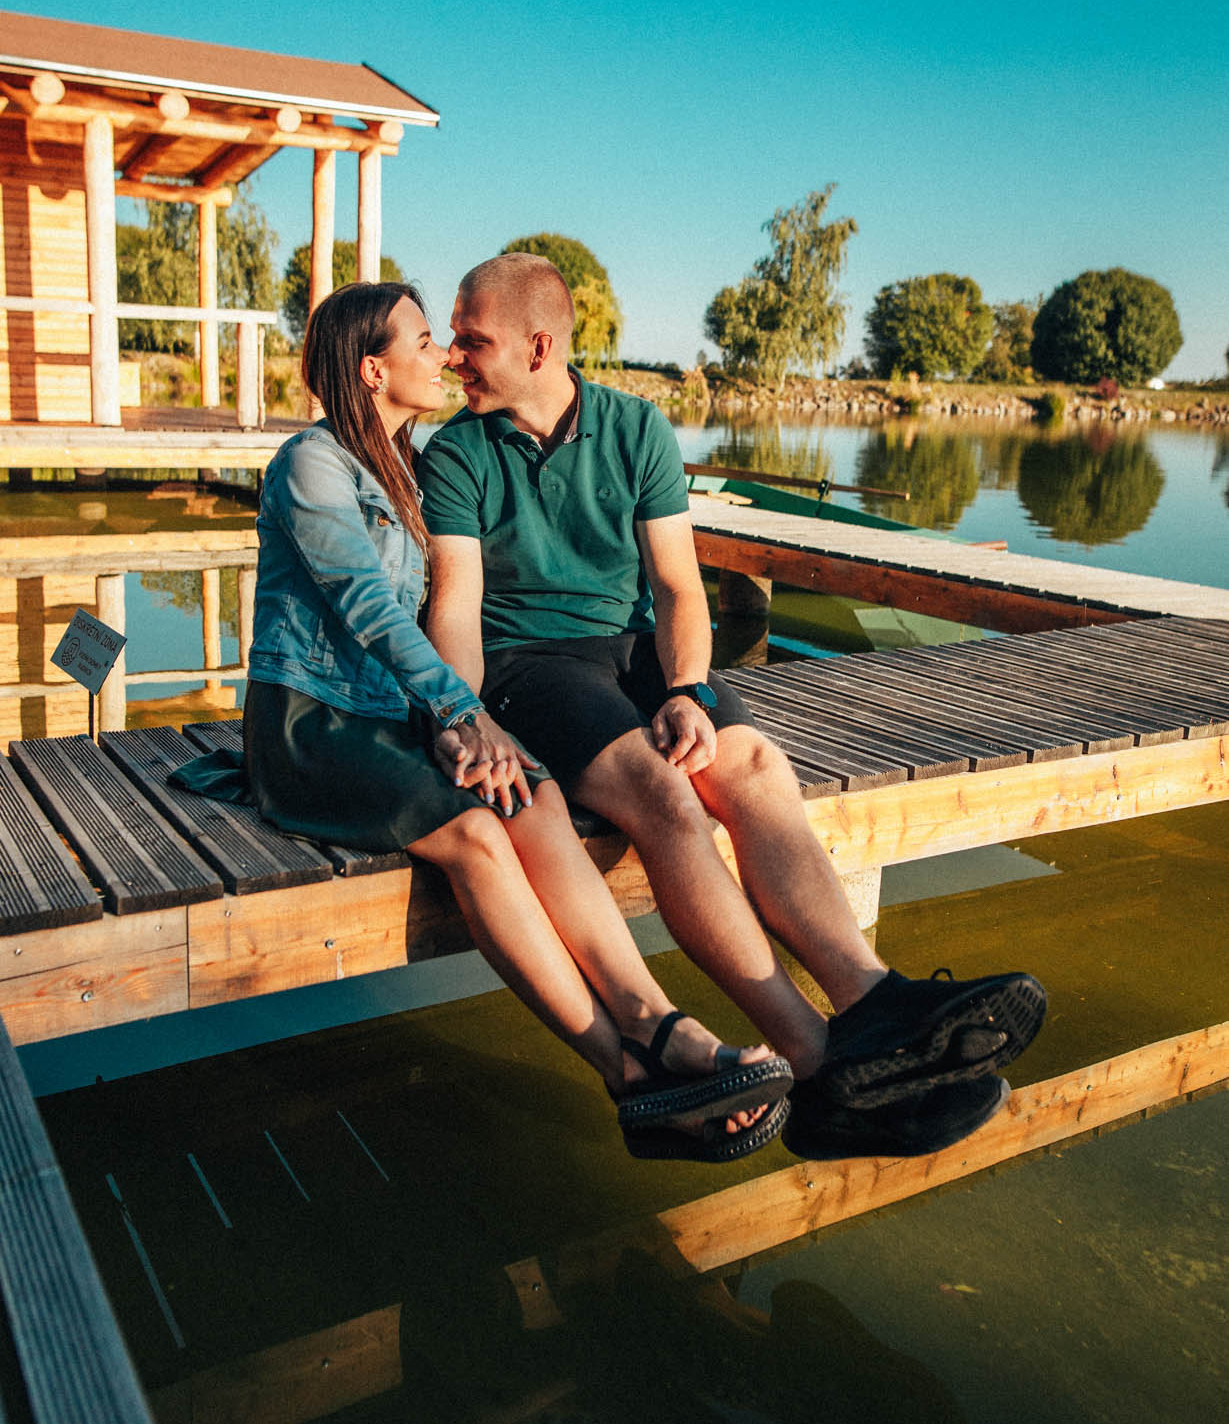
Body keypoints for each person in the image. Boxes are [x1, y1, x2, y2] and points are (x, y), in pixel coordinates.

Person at [418, 255, 1047, 1160]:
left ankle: (871, 1000)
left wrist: (684, 690)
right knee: (662, 795)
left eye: (471, 340)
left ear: (539, 345)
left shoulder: (634, 427)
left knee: (750, 763)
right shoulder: (458, 453)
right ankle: (811, 1055)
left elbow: (677, 587)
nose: (451, 356)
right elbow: (456, 607)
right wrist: (463, 712)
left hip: (631, 651)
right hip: (528, 664)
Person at [188, 279, 792, 1162]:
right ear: (370, 369)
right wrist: (462, 711)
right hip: (312, 726)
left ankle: (653, 1020)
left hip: (393, 718)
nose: (443, 356)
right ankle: (627, 1074)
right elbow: (368, 609)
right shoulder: (310, 466)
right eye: (425, 340)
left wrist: (455, 720)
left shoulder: (403, 460)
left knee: (534, 797)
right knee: (475, 832)